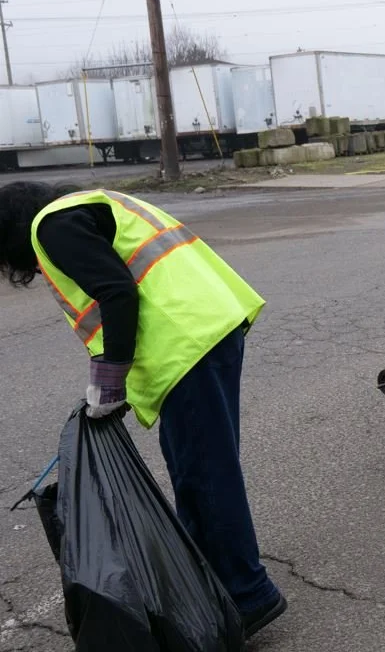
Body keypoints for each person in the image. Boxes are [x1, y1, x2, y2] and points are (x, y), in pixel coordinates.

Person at [0, 182, 286, 638]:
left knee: (207, 476)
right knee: (196, 472)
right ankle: (211, 593)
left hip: (187, 346)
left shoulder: (52, 225)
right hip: (205, 332)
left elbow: (116, 293)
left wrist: (108, 383)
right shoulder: (88, 204)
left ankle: (248, 595)